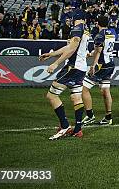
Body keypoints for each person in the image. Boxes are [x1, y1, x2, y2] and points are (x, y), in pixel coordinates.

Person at [38, 8, 90, 139]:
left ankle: (65, 125)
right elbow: (69, 47)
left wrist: (56, 63)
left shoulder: (77, 29)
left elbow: (71, 49)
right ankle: (78, 129)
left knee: (52, 95)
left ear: (75, 17)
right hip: (81, 68)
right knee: (76, 98)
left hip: (72, 68)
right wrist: (51, 54)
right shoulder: (85, 30)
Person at [81, 15, 116, 126]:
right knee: (105, 91)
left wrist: (93, 66)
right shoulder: (111, 33)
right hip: (110, 64)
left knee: (84, 88)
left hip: (101, 66)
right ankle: (108, 117)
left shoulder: (99, 35)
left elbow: (99, 52)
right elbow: (102, 49)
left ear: (97, 23)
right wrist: (90, 54)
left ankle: (90, 116)